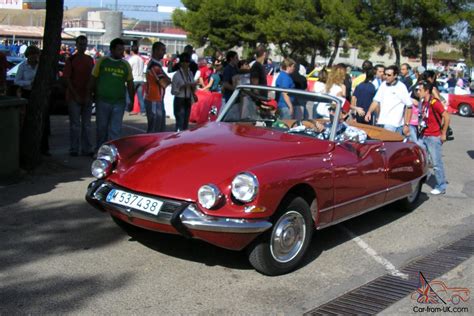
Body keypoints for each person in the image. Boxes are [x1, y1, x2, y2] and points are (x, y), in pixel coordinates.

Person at [90, 38, 134, 150]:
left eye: (122, 49)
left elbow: (130, 83)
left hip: (119, 103)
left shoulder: (125, 65)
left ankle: (113, 153)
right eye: (119, 49)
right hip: (102, 101)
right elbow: (93, 79)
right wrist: (91, 94)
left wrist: (132, 100)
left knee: (115, 130)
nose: (121, 52)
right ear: (112, 50)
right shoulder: (102, 61)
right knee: (102, 128)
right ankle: (100, 150)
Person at [63, 35, 95, 157]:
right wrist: (75, 94)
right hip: (73, 96)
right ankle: (74, 148)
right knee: (75, 124)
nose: (83, 46)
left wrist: (89, 94)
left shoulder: (90, 59)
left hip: (87, 96)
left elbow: (92, 78)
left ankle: (86, 148)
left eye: (84, 44)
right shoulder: (71, 60)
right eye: (80, 44)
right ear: (76, 45)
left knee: (87, 125)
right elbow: (67, 79)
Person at [417, 81, 450, 195]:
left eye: (420, 90)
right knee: (423, 160)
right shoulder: (422, 102)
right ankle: (424, 178)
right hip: (423, 135)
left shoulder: (435, 102)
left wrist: (443, 133)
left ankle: (441, 186)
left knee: (436, 163)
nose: (418, 92)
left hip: (433, 136)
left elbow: (446, 116)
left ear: (426, 91)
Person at [364, 65, 412, 136]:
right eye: (385, 74)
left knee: (388, 144)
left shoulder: (401, 87)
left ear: (395, 75)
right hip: (381, 121)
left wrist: (406, 124)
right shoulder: (383, 85)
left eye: (389, 75)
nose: (386, 76)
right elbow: (376, 101)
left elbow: (409, 106)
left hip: (393, 123)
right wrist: (369, 112)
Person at [144, 41, 171, 133]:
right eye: (162, 50)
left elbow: (167, 79)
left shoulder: (157, 65)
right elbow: (164, 82)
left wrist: (167, 80)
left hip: (157, 99)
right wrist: (167, 80)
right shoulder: (154, 66)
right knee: (154, 130)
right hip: (153, 100)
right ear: (156, 50)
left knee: (159, 129)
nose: (164, 52)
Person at [171, 53, 197, 131]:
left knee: (186, 123)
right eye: (184, 62)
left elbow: (193, 88)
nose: (186, 64)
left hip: (188, 99)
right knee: (180, 123)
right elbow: (173, 91)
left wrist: (193, 86)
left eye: (188, 62)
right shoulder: (177, 75)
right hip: (180, 99)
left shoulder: (190, 74)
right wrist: (182, 86)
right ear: (181, 63)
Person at [127, 45, 146, 115]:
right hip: (141, 79)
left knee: (129, 95)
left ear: (132, 51)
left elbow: (128, 69)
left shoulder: (131, 59)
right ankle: (143, 111)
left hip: (134, 79)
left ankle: (129, 109)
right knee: (140, 96)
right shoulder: (141, 59)